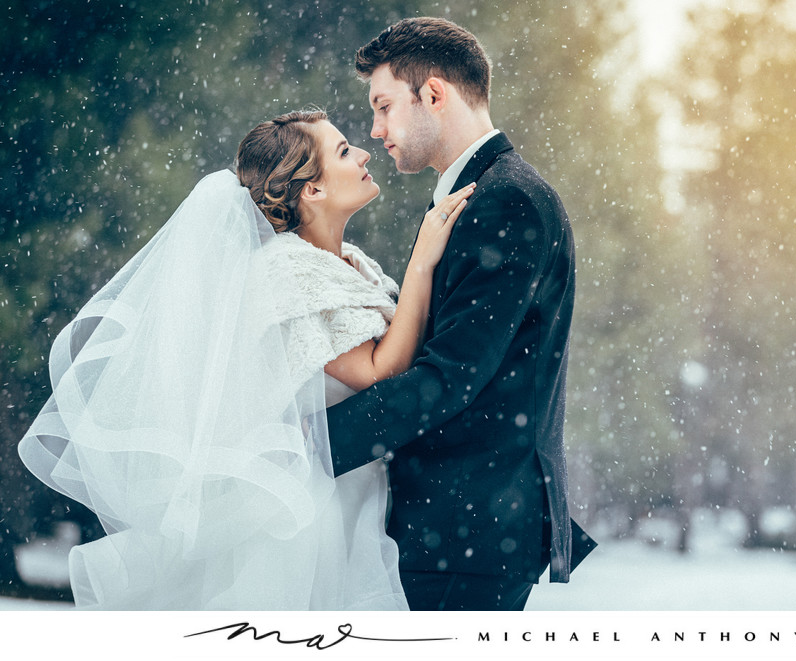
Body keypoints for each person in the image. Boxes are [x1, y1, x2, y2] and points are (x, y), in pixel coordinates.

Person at [17, 109, 474, 610]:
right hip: (311, 522)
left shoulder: (349, 262)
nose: (364, 152)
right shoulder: (287, 271)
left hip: (358, 498)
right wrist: (423, 260)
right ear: (312, 192)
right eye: (344, 151)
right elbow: (378, 370)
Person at [324, 17, 595, 611]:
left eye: (385, 106)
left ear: (435, 95)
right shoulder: (478, 195)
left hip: (467, 532)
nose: (376, 129)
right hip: (460, 527)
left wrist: (313, 446)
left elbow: (448, 378)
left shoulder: (505, 200)